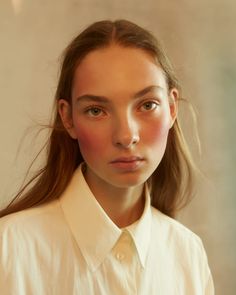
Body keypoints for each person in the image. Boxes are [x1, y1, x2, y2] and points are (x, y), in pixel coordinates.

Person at [0, 19, 214, 294]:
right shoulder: (9, 249)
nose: (126, 136)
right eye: (96, 110)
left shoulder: (188, 255)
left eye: (147, 105)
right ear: (68, 118)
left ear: (172, 108)